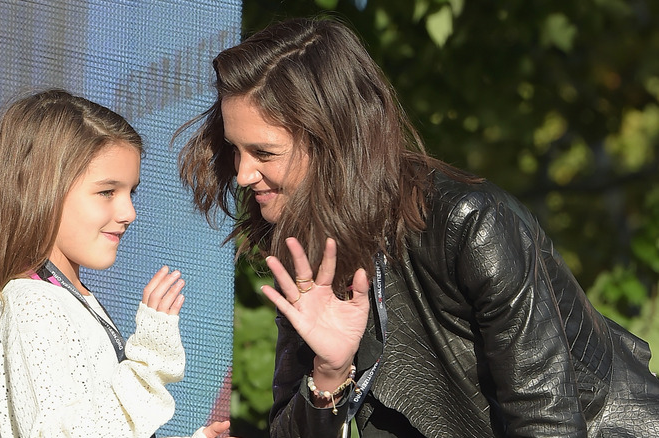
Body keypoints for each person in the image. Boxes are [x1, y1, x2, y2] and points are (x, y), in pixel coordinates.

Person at [176, 16, 659, 438]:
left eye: (264, 153)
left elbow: (546, 419)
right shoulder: (304, 244)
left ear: (334, 142)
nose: (240, 174)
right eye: (234, 149)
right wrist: (328, 372)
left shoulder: (471, 223)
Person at [0, 89, 230, 438]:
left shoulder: (62, 298)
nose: (128, 212)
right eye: (107, 192)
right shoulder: (35, 302)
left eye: (131, 192)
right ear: (43, 189)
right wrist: (148, 359)